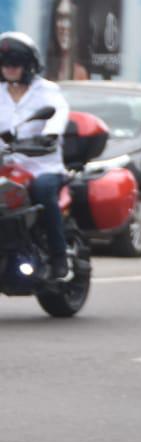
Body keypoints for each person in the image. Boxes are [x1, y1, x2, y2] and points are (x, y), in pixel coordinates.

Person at [0, 32, 71, 278]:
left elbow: (58, 113)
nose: (9, 68)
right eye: (4, 63)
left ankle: (58, 255)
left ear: (28, 65)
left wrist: (50, 135)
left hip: (42, 166)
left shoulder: (46, 91)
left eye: (15, 63)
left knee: (42, 190)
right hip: (6, 166)